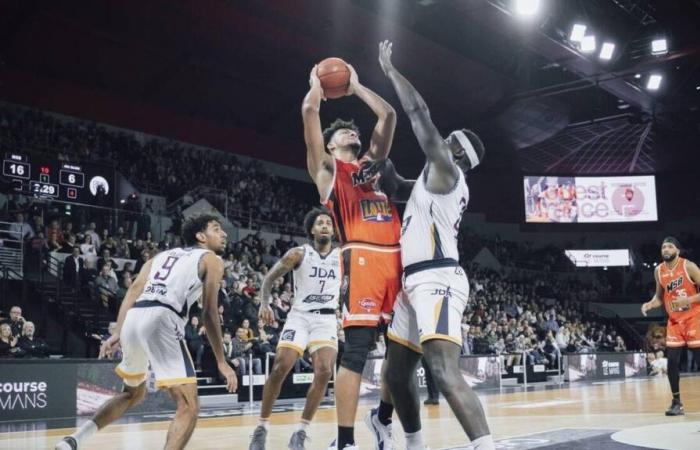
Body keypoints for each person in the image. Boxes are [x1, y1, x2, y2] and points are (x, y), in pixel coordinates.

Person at [378, 40, 493, 450]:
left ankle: (486, 447)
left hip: (437, 278)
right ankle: (414, 443)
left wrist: (390, 70)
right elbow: (394, 187)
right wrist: (383, 160)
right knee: (395, 372)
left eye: (449, 140)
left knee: (443, 371)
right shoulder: (431, 184)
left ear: (456, 153)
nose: (441, 139)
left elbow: (418, 112)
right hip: (414, 284)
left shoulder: (446, 170)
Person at [56, 214, 237, 450]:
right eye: (216, 229)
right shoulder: (211, 259)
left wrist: (118, 331)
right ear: (201, 236)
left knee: (132, 394)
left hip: (135, 317)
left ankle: (74, 440)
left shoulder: (161, 256)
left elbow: (133, 289)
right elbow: (210, 313)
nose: (223, 234)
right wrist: (222, 361)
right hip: (162, 318)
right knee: (188, 406)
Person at [303, 52, 399, 450]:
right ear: (329, 144)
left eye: (352, 133)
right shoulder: (328, 172)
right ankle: (345, 442)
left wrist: (356, 85)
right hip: (359, 258)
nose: (350, 134)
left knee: (402, 353)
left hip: (396, 258)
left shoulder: (371, 166)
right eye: (342, 133)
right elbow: (309, 111)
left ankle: (383, 419)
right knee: (356, 353)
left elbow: (389, 116)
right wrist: (316, 84)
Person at [250, 208, 340, 450]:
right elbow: (269, 277)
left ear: (333, 230)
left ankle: (301, 431)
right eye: (320, 223)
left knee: (324, 371)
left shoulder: (343, 256)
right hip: (299, 317)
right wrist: (266, 303)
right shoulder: (299, 253)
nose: (324, 226)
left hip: (327, 319)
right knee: (281, 366)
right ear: (312, 230)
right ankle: (261, 427)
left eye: (328, 223)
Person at [641, 236, 700, 416]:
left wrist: (688, 299)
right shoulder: (659, 270)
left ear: (677, 251)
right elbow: (659, 297)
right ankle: (676, 402)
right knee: (672, 362)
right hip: (674, 322)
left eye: (669, 247)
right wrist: (650, 304)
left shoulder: (688, 266)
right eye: (663, 247)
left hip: (694, 318)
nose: (665, 249)